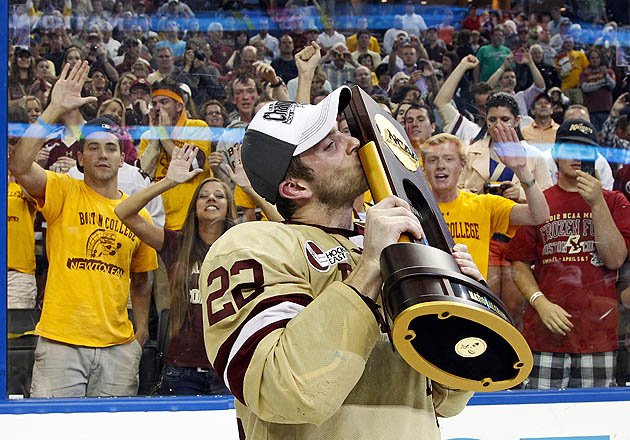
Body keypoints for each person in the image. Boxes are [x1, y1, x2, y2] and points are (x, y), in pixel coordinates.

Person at [200, 52, 484, 439]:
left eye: (343, 133)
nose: (354, 143)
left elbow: (446, 400)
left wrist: (460, 301)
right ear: (295, 187)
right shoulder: (251, 245)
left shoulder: (391, 243)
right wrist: (369, 270)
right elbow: (288, 391)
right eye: (329, 146)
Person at [8, 61, 158, 397]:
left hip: (118, 346)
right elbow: (18, 165)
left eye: (110, 148)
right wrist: (54, 109)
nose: (102, 155)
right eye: (93, 147)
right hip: (62, 341)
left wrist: (141, 333)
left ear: (123, 159)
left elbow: (143, 278)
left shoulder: (138, 215)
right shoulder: (62, 189)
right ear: (80, 158)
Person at [507, 119, 630, 389]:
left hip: (597, 335)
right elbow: (518, 262)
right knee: (540, 422)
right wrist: (540, 302)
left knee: (595, 422)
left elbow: (615, 259)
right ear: (556, 152)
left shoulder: (614, 201)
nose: (576, 156)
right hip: (544, 333)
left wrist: (597, 203)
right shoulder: (541, 202)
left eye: (585, 150)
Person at [115, 144, 235, 395]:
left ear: (229, 208)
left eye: (219, 195)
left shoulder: (244, 245)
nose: (211, 198)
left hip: (229, 367)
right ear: (194, 207)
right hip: (181, 370)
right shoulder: (175, 243)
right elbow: (124, 212)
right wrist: (169, 182)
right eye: (203, 195)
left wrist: (248, 190)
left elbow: (287, 230)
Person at [421, 132, 549, 282]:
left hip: (473, 299)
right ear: (423, 168)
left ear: (462, 165)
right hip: (430, 298)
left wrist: (522, 170)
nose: (440, 166)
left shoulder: (484, 205)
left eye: (448, 159)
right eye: (432, 160)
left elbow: (539, 215)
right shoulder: (415, 208)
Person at [137, 77, 212, 231]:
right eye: (155, 103)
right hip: (156, 222)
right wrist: (155, 138)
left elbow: (192, 165)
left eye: (164, 102)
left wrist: (164, 136)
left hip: (189, 222)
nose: (158, 108)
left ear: (179, 106)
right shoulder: (149, 136)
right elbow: (141, 175)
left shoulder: (197, 127)